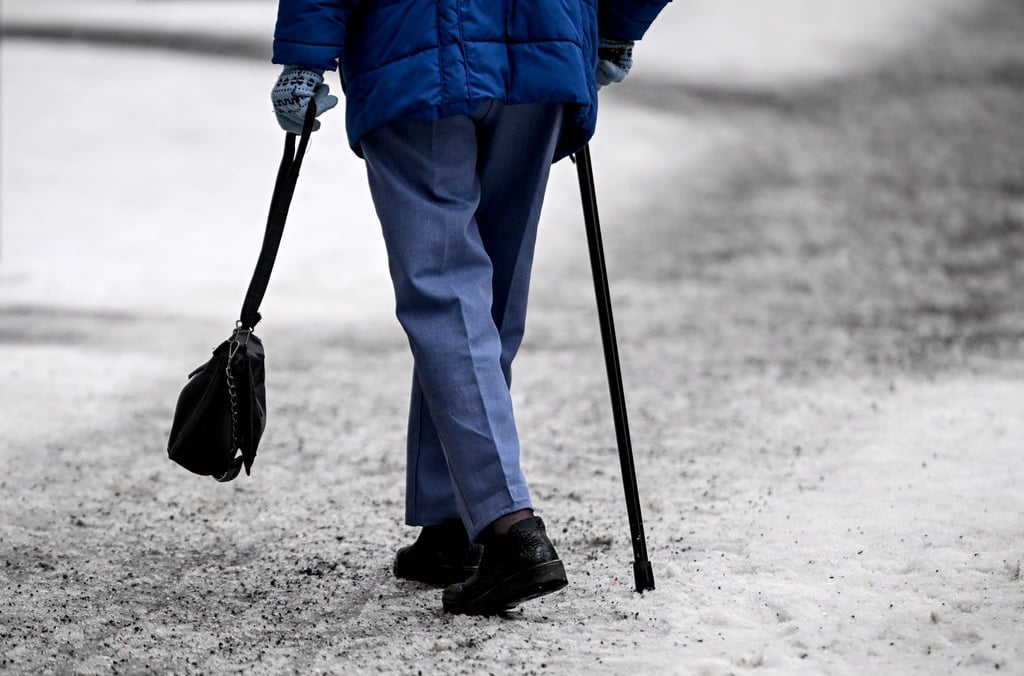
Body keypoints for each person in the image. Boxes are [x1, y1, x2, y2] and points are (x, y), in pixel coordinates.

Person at [270, 0, 669, 615]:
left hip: (414, 45)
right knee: (489, 300)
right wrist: (615, 25)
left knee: (447, 294)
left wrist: (305, 56)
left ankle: (508, 528)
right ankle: (452, 522)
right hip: (544, 48)